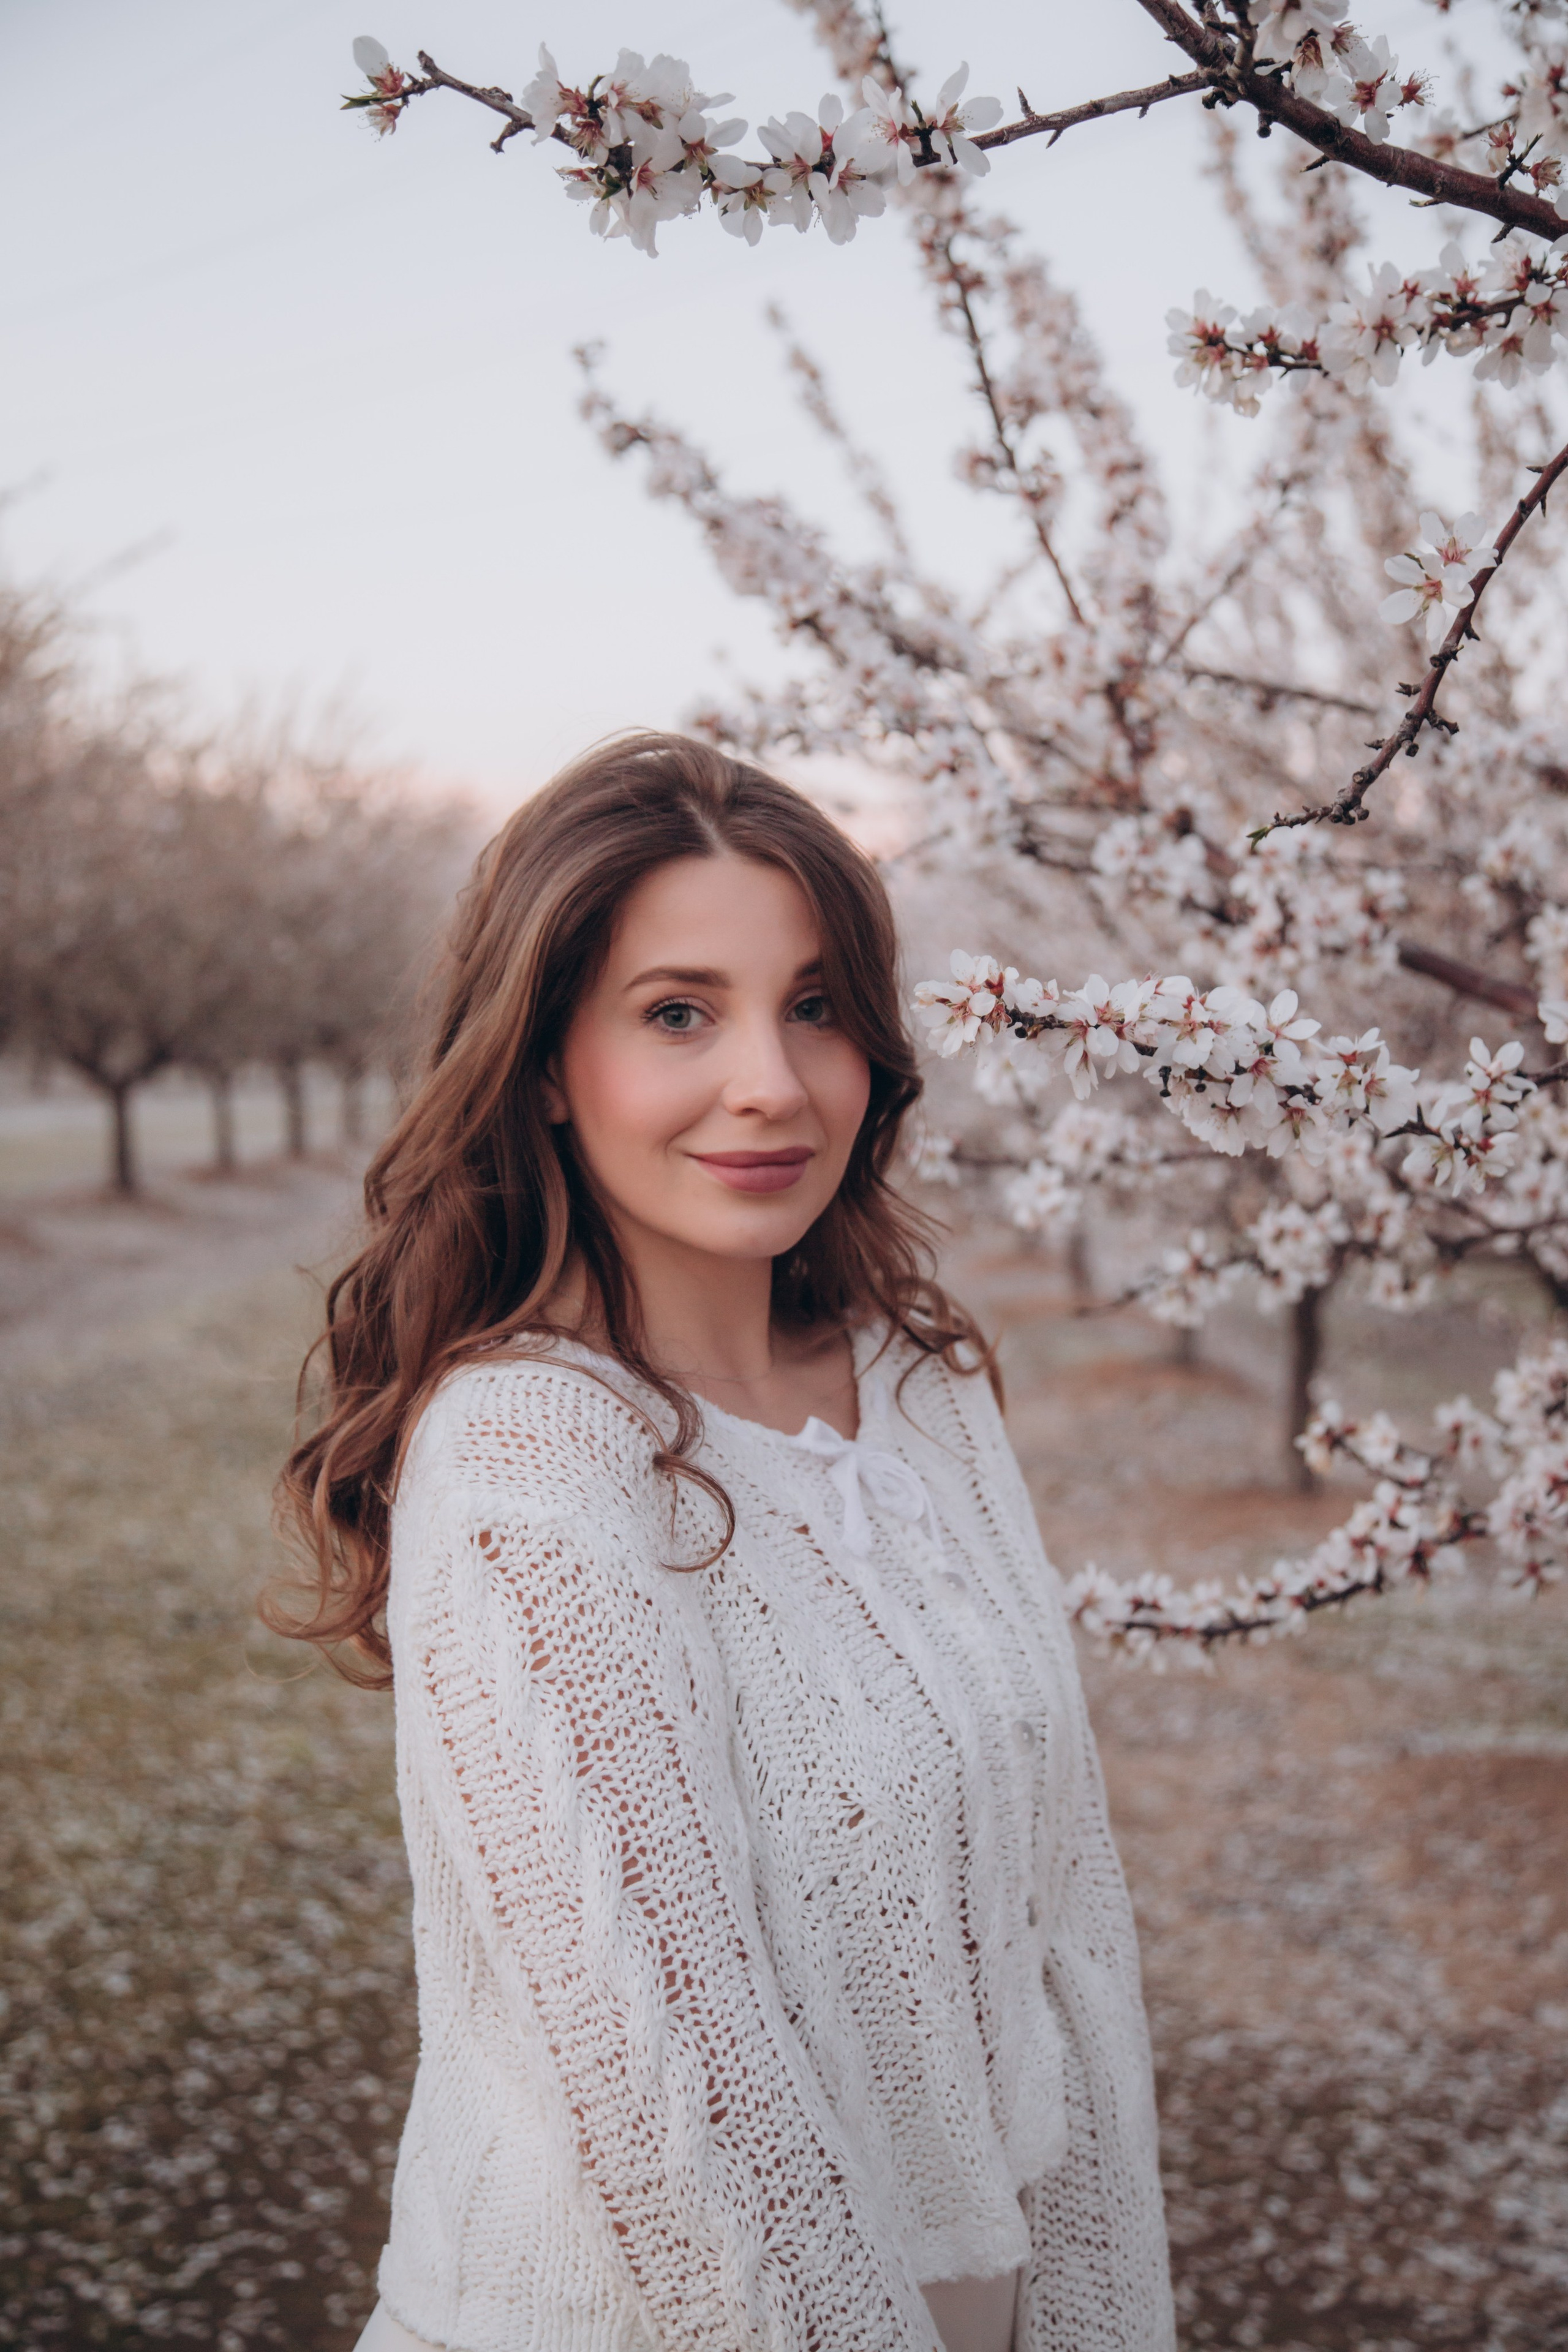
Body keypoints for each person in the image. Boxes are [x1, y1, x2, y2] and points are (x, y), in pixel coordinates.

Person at [273, 733, 1174, 2352]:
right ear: (550, 1060)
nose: (771, 1079)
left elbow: (1073, 1936)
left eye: (815, 1005)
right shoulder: (533, 1457)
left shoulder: (922, 1390)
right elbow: (679, 2104)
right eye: (679, 1012)